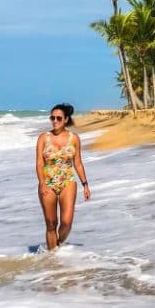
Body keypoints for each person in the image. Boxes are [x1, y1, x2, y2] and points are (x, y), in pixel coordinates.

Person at [36, 103, 91, 250]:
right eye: (52, 118)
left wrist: (85, 184)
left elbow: (78, 163)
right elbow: (39, 163)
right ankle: (53, 258)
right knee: (51, 223)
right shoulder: (43, 138)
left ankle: (58, 244)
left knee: (66, 222)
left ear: (66, 119)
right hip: (47, 182)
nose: (55, 121)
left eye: (58, 118)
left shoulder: (74, 139)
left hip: (68, 181)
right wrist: (42, 183)